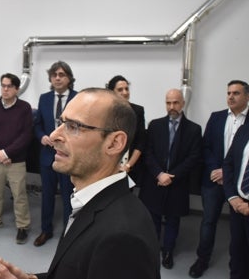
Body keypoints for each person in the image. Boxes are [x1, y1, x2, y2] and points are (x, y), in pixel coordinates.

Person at [0, 88, 160, 279]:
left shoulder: (123, 240)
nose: (54, 136)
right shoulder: (91, 202)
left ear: (114, 143)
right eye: (62, 123)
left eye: (74, 126)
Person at [189, 80, 249, 278]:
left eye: (236, 93)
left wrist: (227, 172)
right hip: (214, 181)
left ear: (247, 97)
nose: (231, 97)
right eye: (229, 93)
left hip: (239, 184)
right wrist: (217, 168)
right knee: (208, 222)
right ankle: (202, 260)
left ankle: (238, 267)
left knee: (238, 230)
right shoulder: (216, 117)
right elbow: (206, 146)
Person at [139, 88, 202, 270]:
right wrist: (159, 174)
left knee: (173, 219)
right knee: (153, 218)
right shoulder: (155, 125)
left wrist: (171, 176)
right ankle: (152, 249)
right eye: (168, 102)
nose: (172, 106)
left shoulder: (194, 129)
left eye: (175, 102)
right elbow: (148, 153)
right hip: (155, 180)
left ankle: (168, 251)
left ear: (182, 104)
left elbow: (193, 157)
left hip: (177, 183)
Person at [0, 73, 33, 244]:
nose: (5, 89)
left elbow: (26, 135)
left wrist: (8, 153)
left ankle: (23, 226)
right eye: (3, 85)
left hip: (15, 161)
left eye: (9, 86)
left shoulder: (24, 108)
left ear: (17, 89)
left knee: (19, 195)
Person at [33, 61, 76, 247]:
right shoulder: (44, 98)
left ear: (69, 78)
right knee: (47, 194)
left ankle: (68, 233)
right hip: (47, 155)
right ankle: (45, 230)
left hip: (68, 155)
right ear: (50, 78)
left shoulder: (78, 98)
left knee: (68, 196)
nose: (57, 78)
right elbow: (37, 125)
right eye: (54, 75)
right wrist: (41, 136)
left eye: (62, 74)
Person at [106, 75, 146, 184]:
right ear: (112, 92)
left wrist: (128, 166)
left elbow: (140, 142)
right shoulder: (105, 111)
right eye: (120, 90)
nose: (125, 92)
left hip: (129, 167)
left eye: (126, 89)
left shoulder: (138, 111)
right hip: (108, 166)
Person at [222, 121, 249, 279]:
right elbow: (229, 164)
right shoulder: (244, 130)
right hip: (237, 206)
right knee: (238, 254)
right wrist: (232, 197)